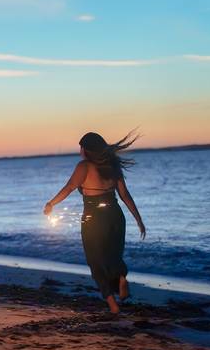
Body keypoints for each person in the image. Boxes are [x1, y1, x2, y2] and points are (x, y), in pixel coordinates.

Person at [43, 132, 145, 314]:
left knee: (95, 261)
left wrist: (51, 203)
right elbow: (125, 195)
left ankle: (113, 305)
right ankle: (121, 277)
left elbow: (68, 188)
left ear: (87, 149)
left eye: (81, 147)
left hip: (94, 219)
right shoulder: (113, 166)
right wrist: (139, 220)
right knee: (114, 256)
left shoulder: (84, 167)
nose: (80, 151)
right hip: (115, 216)